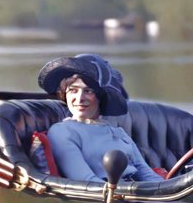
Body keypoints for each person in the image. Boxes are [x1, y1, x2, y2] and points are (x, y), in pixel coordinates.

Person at [37, 54, 162, 183]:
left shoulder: (118, 133)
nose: (79, 99)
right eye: (73, 91)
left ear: (101, 97)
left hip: (137, 193)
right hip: (107, 197)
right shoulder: (62, 132)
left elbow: (147, 174)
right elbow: (86, 181)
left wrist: (170, 190)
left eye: (88, 91)